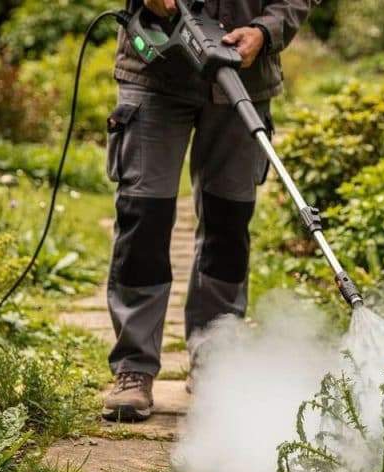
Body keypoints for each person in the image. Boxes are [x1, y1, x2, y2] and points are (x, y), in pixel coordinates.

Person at [103, 0, 311, 421]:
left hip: (244, 76)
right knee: (144, 215)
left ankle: (215, 361)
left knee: (227, 221)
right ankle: (134, 368)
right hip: (157, 70)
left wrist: (266, 31)